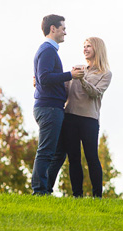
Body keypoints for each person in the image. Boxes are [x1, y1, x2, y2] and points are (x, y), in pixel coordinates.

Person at [48, 36, 113, 197]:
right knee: (73, 159)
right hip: (69, 118)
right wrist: (43, 82)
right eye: (84, 46)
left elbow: (95, 93)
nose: (85, 49)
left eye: (88, 46)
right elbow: (62, 88)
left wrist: (82, 79)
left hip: (89, 120)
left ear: (97, 49)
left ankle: (97, 196)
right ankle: (77, 195)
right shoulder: (77, 69)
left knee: (92, 158)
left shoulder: (105, 74)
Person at [32, 14, 85, 195]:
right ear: (53, 29)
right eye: (63, 28)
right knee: (46, 151)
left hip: (53, 108)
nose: (65, 32)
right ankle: (39, 191)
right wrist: (70, 75)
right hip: (49, 109)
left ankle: (45, 188)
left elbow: (41, 78)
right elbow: (44, 78)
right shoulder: (47, 50)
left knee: (60, 152)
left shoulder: (49, 51)